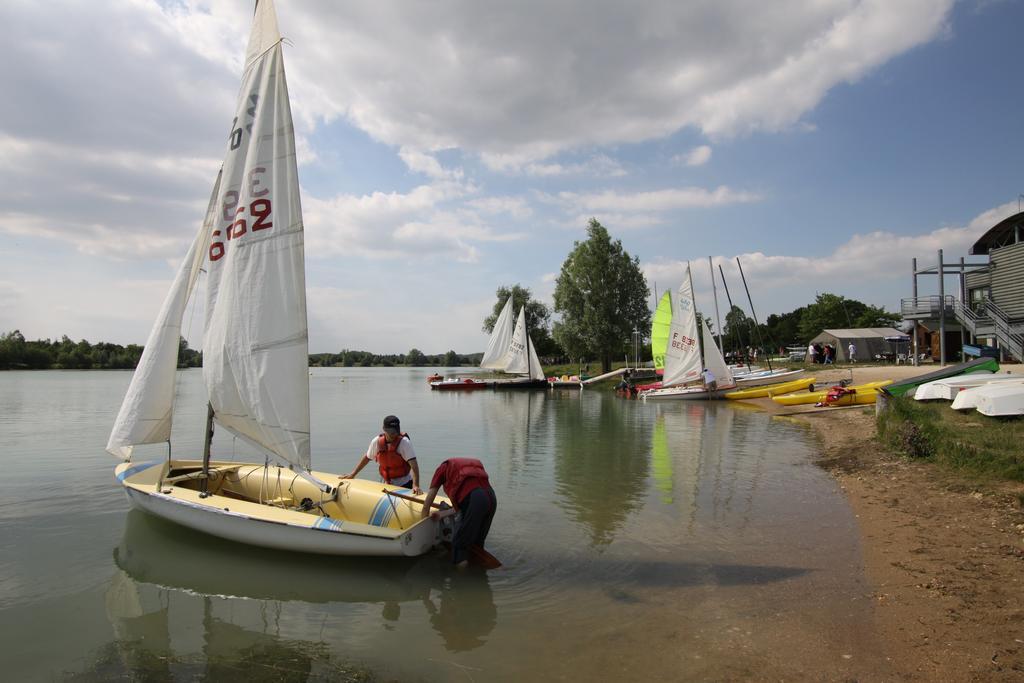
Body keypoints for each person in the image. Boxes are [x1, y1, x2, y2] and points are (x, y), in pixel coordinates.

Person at [421, 458, 497, 567]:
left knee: (459, 545)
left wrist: (424, 526)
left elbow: (427, 504)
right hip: (491, 498)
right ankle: (479, 575)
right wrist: (442, 514)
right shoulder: (470, 468)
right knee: (476, 544)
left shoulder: (442, 469)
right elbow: (464, 506)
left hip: (476, 500)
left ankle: (459, 581)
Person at [341, 415, 422, 494]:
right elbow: (367, 457)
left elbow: (414, 466)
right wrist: (353, 474)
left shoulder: (404, 443)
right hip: (385, 484)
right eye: (391, 432)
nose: (394, 434)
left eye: (395, 431)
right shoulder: (377, 442)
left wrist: (416, 485)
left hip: (404, 485)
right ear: (384, 429)